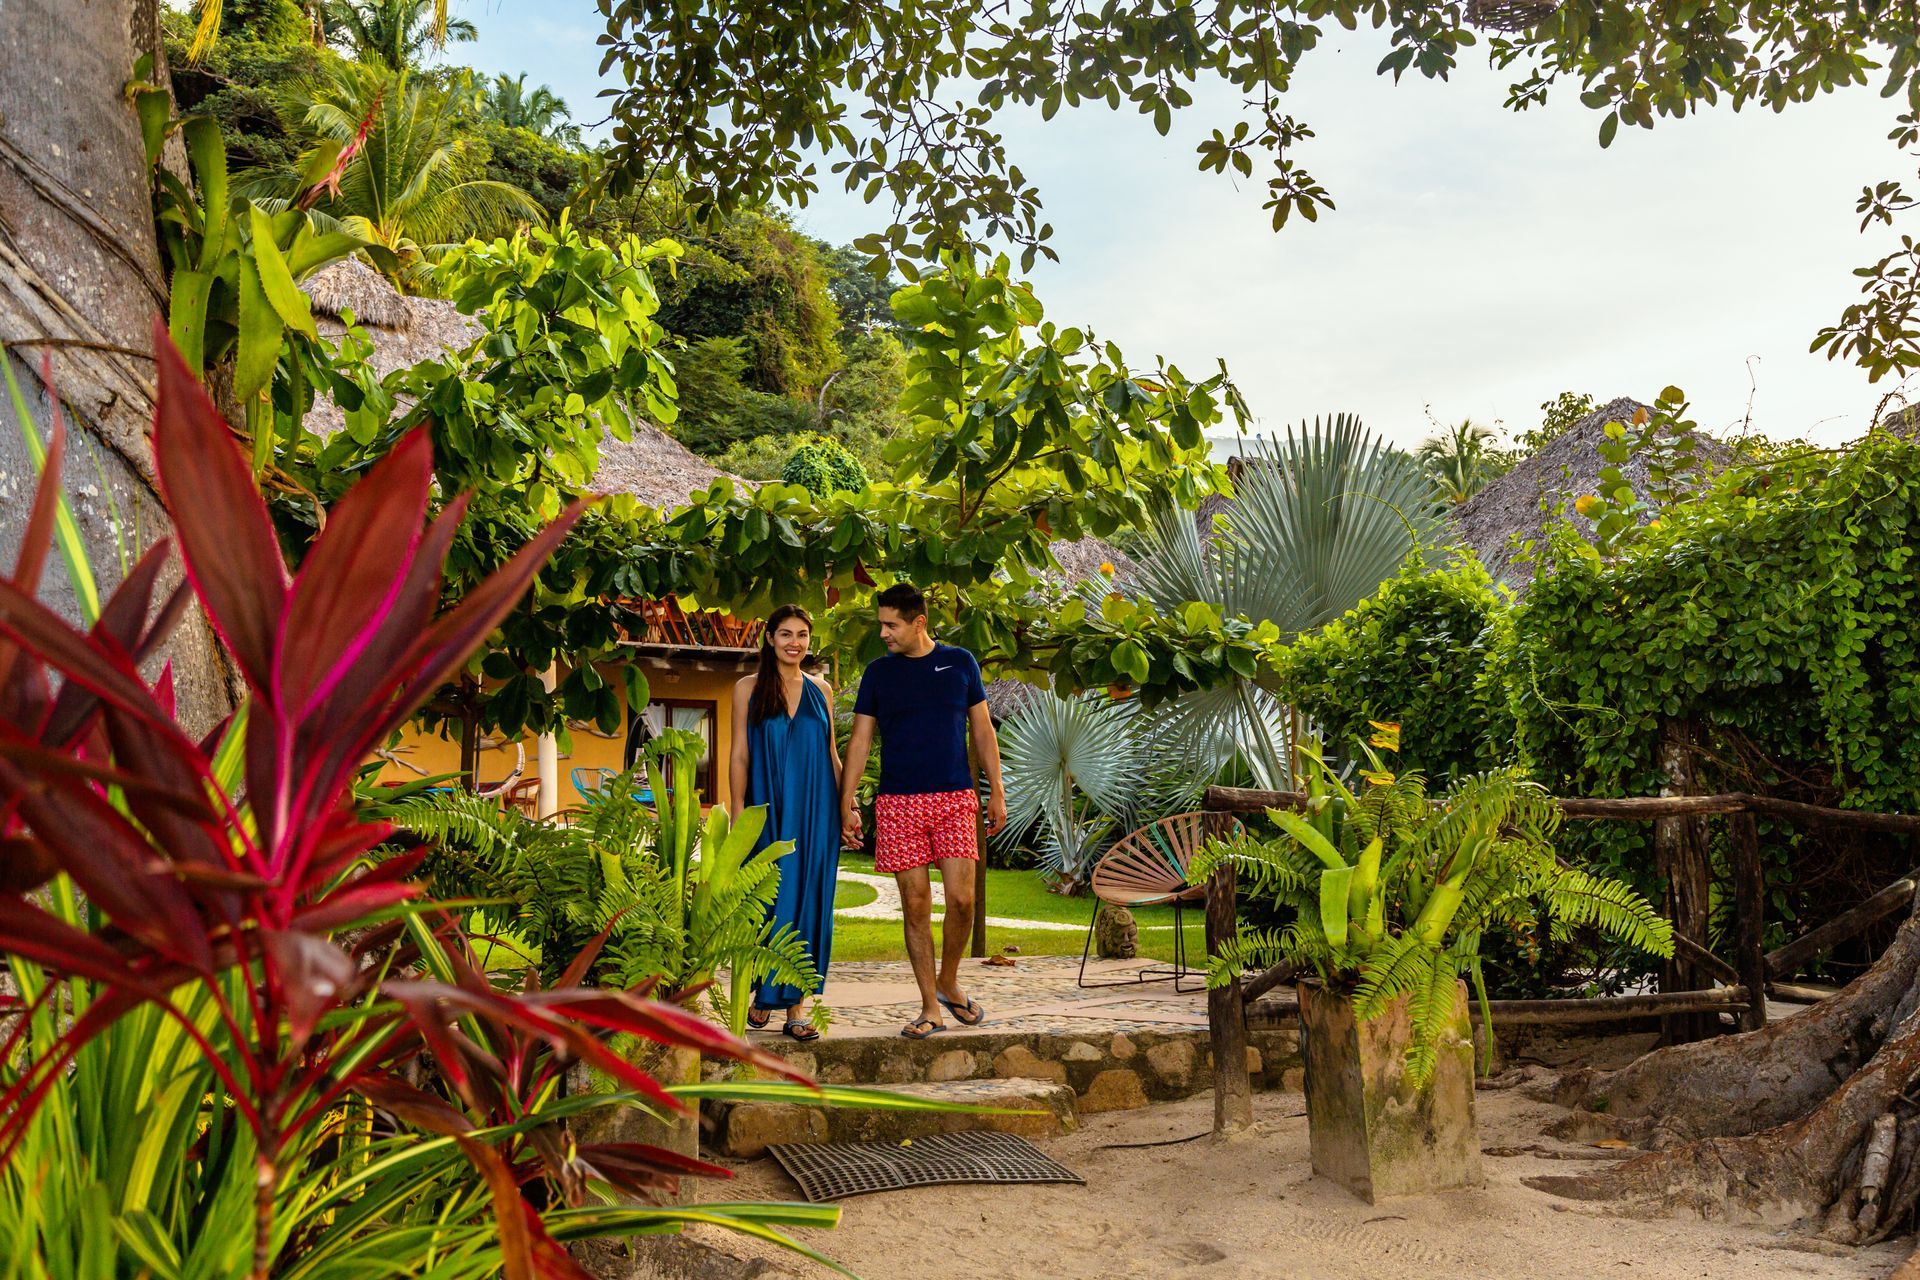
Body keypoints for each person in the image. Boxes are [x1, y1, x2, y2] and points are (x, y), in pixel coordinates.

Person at [840, 583, 1008, 1039]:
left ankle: (949, 979)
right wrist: (846, 799)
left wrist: (996, 791)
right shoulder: (878, 674)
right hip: (897, 803)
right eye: (881, 624)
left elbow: (983, 730)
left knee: (962, 900)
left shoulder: (960, 663)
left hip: (955, 797)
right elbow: (860, 741)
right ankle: (930, 1006)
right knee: (915, 906)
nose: (884, 633)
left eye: (891, 625)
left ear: (919, 622)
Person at [730, 604, 843, 1041]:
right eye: (786, 635)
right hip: (769, 807)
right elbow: (740, 752)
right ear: (770, 638)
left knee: (810, 900)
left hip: (818, 811)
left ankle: (796, 1008)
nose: (795, 643)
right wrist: (739, 810)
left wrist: (846, 803)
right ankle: (763, 991)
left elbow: (832, 753)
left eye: (802, 635)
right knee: (770, 898)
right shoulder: (748, 688)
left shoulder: (822, 690)